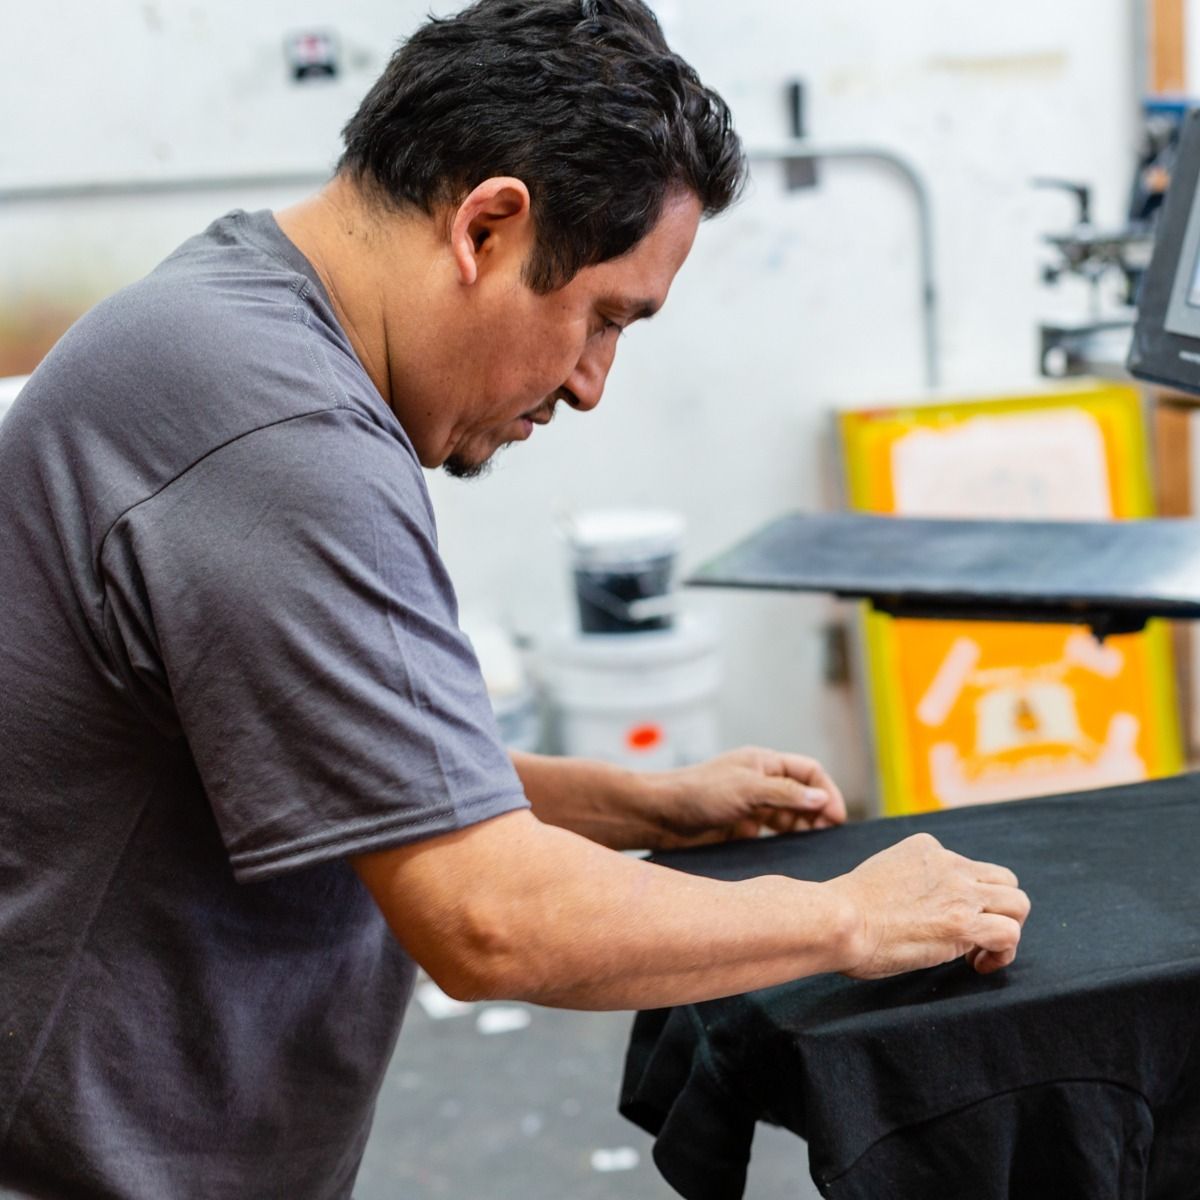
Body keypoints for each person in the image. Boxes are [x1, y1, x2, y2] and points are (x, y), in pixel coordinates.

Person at [0, 1, 1030, 1196]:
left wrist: (642, 805)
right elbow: (487, 918)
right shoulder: (281, 434)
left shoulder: (231, 322)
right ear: (487, 224)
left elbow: (347, 770)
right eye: (599, 318)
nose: (592, 383)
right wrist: (850, 916)